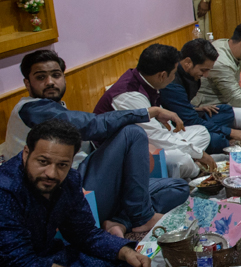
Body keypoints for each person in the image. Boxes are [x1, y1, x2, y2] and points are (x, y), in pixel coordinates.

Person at [2, 49, 187, 237]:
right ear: (27, 83)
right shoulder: (30, 109)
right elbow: (91, 125)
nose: (50, 82)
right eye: (41, 77)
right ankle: (140, 217)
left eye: (56, 75)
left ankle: (121, 222)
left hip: (87, 179)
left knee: (177, 187)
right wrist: (149, 112)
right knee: (132, 133)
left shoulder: (55, 106)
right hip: (70, 191)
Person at [0, 120, 151, 267]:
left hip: (45, 256)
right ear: (26, 153)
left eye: (62, 165)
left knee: (121, 261)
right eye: (43, 162)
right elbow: (21, 264)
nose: (51, 174)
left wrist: (125, 252)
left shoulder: (69, 180)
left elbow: (85, 233)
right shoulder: (5, 189)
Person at [94, 44, 216, 180]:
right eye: (174, 73)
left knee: (201, 132)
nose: (174, 77)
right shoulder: (129, 95)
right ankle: (196, 171)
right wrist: (201, 155)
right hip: (122, 154)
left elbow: (162, 131)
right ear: (162, 75)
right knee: (180, 159)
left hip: (151, 139)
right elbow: (157, 137)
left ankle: (188, 165)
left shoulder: (146, 81)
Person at [159, 39, 241, 153]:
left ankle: (222, 136)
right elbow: (190, 121)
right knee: (214, 139)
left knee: (226, 111)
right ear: (188, 62)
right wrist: (231, 132)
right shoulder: (171, 82)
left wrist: (194, 108)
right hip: (179, 127)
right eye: (203, 70)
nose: (206, 75)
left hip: (189, 117)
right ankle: (226, 142)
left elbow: (179, 107)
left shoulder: (188, 74)